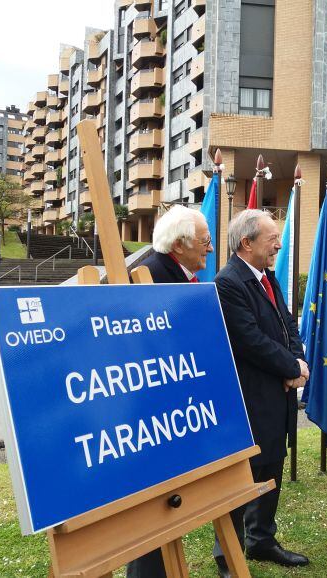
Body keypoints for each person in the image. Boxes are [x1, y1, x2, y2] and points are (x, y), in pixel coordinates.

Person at [213, 209, 310, 576]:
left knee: (272, 467)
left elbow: (287, 323)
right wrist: (290, 368)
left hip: (279, 393)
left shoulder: (267, 276)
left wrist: (297, 364)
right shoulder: (228, 282)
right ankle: (228, 555)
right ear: (246, 242)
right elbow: (249, 339)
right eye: (272, 238)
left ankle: (261, 540)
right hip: (251, 398)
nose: (279, 245)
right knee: (242, 478)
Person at [126, 204, 212, 578]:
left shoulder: (180, 274)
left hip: (178, 411)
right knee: (151, 510)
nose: (209, 249)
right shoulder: (146, 276)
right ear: (180, 245)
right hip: (152, 415)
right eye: (204, 242)